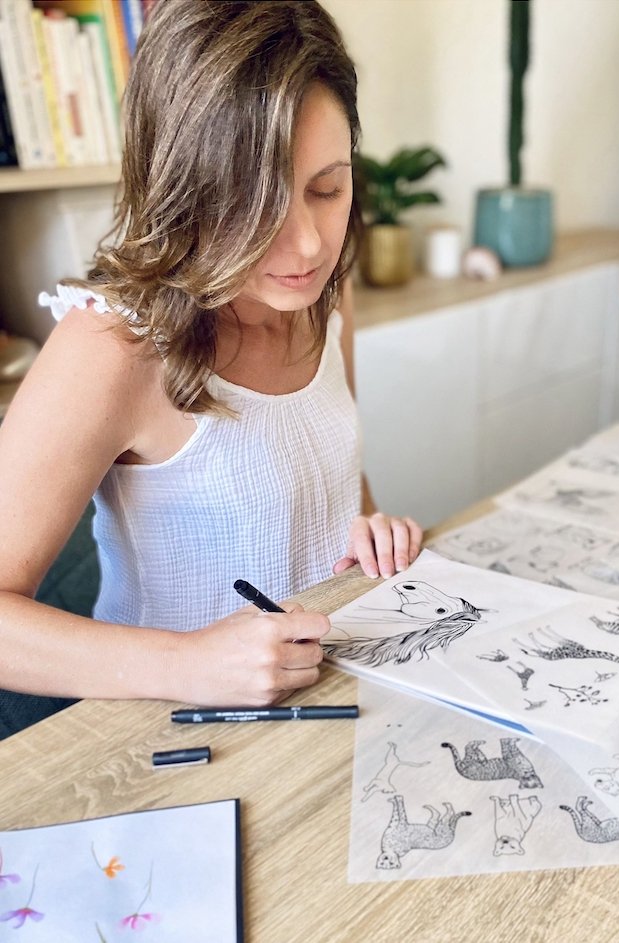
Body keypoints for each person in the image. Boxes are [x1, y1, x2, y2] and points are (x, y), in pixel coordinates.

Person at [0, 0, 422, 724]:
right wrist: (188, 660)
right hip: (163, 732)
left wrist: (366, 530)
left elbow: (326, 469)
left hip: (323, 696)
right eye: (256, 206)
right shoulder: (114, 346)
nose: (311, 246)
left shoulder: (320, 295)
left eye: (327, 188)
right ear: (183, 189)